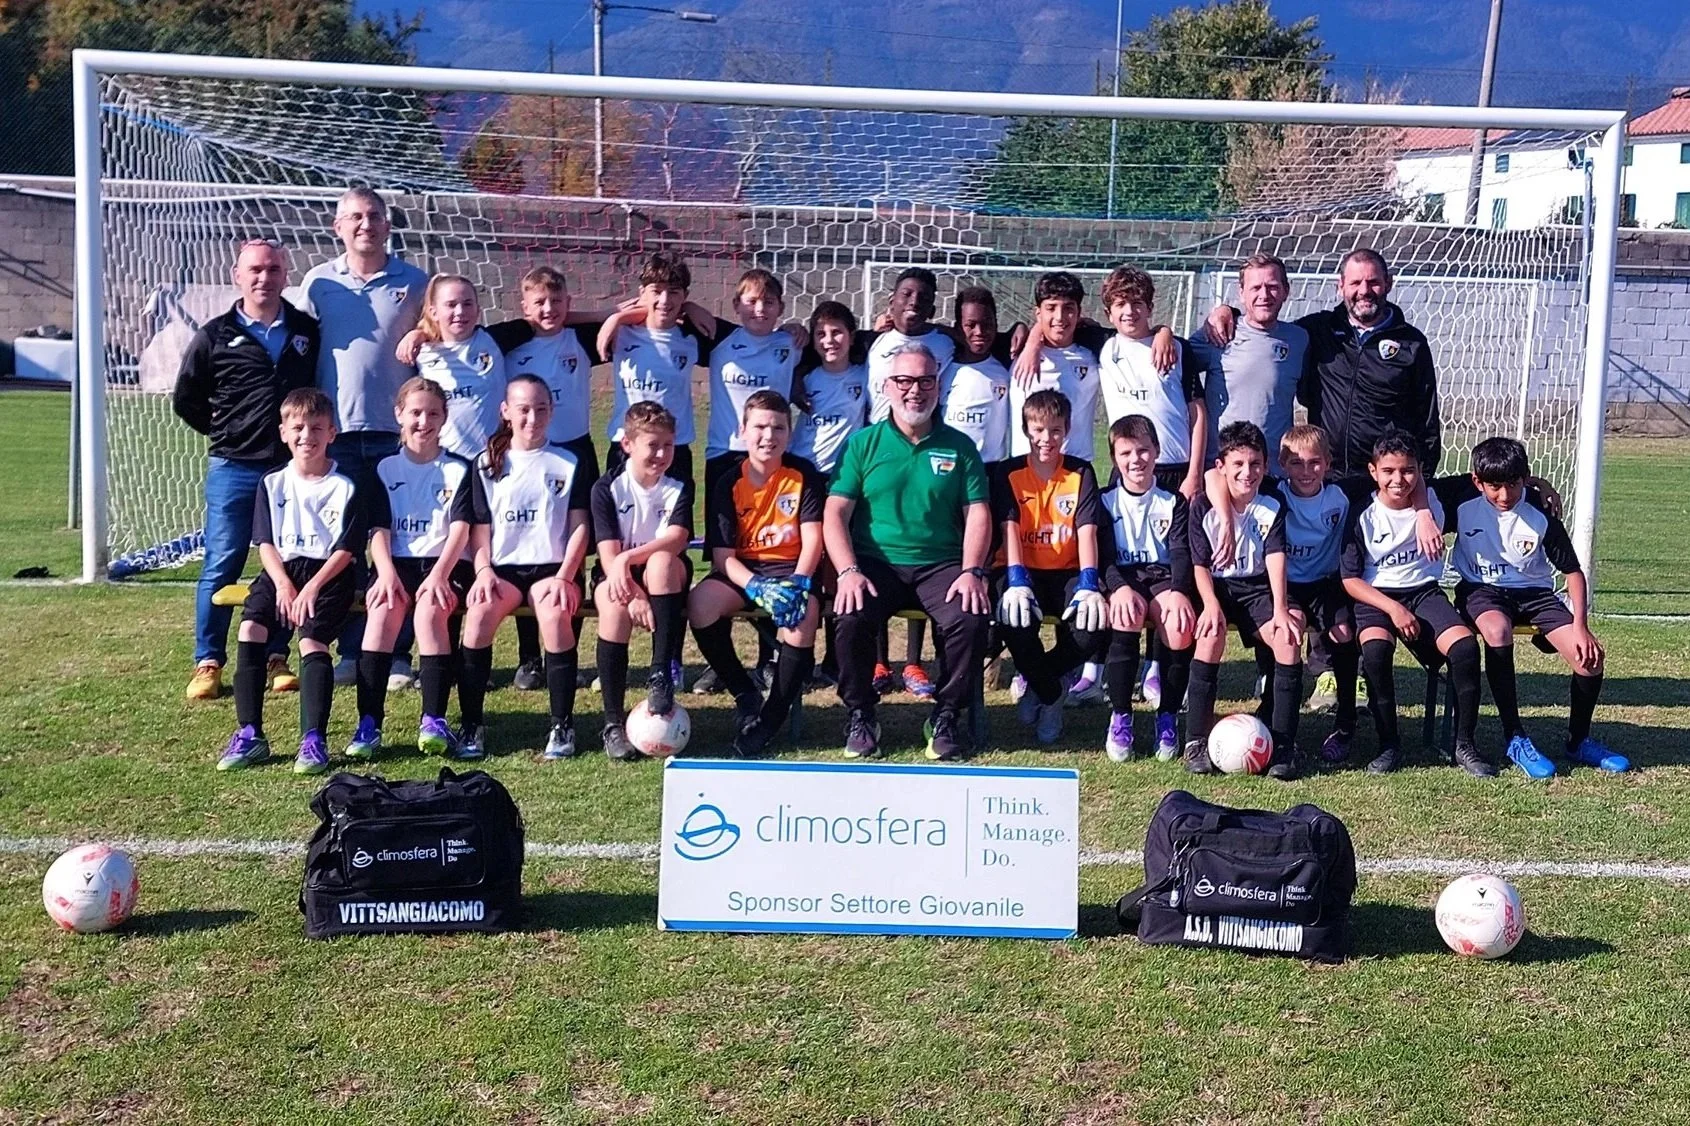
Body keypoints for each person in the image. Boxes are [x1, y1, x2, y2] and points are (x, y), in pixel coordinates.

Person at [824, 342, 993, 762]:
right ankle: (862, 714)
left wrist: (972, 570)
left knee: (970, 619)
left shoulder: (960, 446)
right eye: (904, 380)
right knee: (848, 617)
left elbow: (978, 513)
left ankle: (945, 715)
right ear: (887, 386)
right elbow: (834, 514)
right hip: (874, 564)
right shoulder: (862, 444)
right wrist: (847, 571)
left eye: (924, 381)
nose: (914, 390)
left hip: (941, 565)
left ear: (938, 387)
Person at [173, 238, 318, 702]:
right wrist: (228, 432)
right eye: (255, 269)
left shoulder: (306, 330)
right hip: (233, 467)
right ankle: (208, 661)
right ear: (238, 275)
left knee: (289, 562)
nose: (264, 277)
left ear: (285, 275)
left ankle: (278, 656)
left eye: (273, 269)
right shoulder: (214, 335)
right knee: (223, 562)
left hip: (290, 471)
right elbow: (186, 398)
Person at [1436, 437, 1628, 776]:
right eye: (1494, 486)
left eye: (1512, 484)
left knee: (1590, 659)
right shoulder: (1461, 496)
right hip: (1482, 591)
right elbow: (1408, 487)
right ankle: (1515, 736)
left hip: (1536, 595)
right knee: (1497, 629)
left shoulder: (1540, 508)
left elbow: (1572, 572)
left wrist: (1581, 627)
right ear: (1477, 481)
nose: (1504, 495)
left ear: (1525, 477)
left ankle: (1578, 740)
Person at [299, 187, 429, 689]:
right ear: (338, 227)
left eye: (373, 215)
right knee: (345, 545)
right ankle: (350, 649)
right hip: (338, 435)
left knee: (397, 546)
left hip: (398, 436)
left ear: (387, 225)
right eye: (354, 217)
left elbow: (442, 331)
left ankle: (396, 654)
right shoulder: (317, 284)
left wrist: (422, 333)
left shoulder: (415, 282)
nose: (364, 224)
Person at [214, 388, 368, 774]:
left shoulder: (345, 485)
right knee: (250, 628)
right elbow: (265, 542)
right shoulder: (271, 482)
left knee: (311, 639)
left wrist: (311, 587)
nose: (307, 436)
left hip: (328, 574)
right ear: (283, 431)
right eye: (298, 427)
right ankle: (251, 734)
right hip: (281, 571)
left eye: (317, 428)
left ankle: (313, 739)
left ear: (332, 433)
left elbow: (347, 550)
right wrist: (282, 585)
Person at [1206, 247, 1441, 478]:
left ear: (1388, 284)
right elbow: (1263, 327)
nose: (1364, 290)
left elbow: (1427, 418)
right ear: (1341, 287)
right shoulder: (1316, 331)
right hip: (1325, 474)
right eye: (1355, 283)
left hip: (1386, 477)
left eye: (1373, 282)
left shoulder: (1412, 343)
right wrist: (1228, 312)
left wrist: (1424, 477)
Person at [455, 375, 595, 761]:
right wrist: (483, 572)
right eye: (523, 409)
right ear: (506, 412)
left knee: (554, 616)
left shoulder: (569, 461)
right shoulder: (486, 464)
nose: (532, 417)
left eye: (541, 409)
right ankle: (471, 725)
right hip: (503, 569)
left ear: (551, 411)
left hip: (552, 567)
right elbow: (479, 532)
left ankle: (562, 725)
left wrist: (567, 575)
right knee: (479, 615)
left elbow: (580, 525)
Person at [1340, 431, 1491, 777]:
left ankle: (1465, 744)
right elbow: (1350, 579)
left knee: (1465, 648)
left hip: (1423, 592)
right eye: (1389, 471)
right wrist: (1393, 609)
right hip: (1375, 597)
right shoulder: (1361, 511)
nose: (1399, 479)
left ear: (1421, 471)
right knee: (1376, 653)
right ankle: (1388, 744)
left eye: (1408, 471)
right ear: (1373, 471)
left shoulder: (1437, 500)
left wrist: (1538, 484)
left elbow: (1492, 480)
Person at [343, 377, 475, 763]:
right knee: (381, 617)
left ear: (444, 418)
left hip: (444, 564)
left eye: (433, 413)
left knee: (432, 613)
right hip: (395, 563)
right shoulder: (383, 468)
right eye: (415, 412)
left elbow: (461, 530)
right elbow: (378, 531)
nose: (423, 421)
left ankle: (433, 719)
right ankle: (368, 723)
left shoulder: (459, 469)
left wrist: (438, 575)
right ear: (399, 414)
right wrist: (384, 573)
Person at [689, 390, 824, 758]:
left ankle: (770, 719)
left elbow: (814, 538)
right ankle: (744, 692)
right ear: (743, 430)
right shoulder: (727, 480)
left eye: (778, 427)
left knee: (802, 616)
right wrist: (755, 584)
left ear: (789, 432)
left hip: (791, 570)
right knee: (700, 603)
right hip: (746, 572)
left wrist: (800, 582)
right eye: (760, 426)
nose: (769, 435)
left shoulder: (803, 474)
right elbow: (722, 557)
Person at [1185, 421, 1303, 780]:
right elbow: (1199, 564)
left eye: (1254, 464)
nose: (1246, 472)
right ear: (1221, 467)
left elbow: (1275, 557)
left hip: (1256, 589)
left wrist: (1280, 608)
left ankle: (1283, 745)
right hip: (1216, 589)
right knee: (1210, 635)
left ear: (1265, 466)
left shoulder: (1271, 503)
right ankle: (1195, 741)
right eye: (1237, 464)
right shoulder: (1204, 506)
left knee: (1287, 638)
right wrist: (1209, 605)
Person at [990, 390, 1106, 746]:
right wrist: (1016, 579)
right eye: (1039, 430)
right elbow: (1008, 527)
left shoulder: (1081, 472)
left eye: (1055, 430)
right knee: (1017, 619)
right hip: (1019, 570)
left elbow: (1087, 530)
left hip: (1067, 570)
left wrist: (1088, 582)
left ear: (1068, 429)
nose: (1047, 439)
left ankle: (1041, 686)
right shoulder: (1008, 472)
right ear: (1026, 429)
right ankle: (1053, 695)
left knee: (1092, 627)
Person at [591, 402, 694, 762]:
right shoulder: (607, 489)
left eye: (668, 445)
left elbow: (678, 538)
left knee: (662, 563)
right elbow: (607, 557)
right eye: (652, 445)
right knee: (614, 608)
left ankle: (659, 674)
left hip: (661, 575)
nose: (661, 454)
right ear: (628, 445)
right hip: (618, 576)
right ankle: (612, 724)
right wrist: (632, 593)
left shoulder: (679, 485)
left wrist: (628, 558)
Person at [1261, 425, 1364, 765]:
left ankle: (1346, 724)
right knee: (1288, 632)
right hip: (1286, 586)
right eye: (1296, 463)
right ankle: (1280, 730)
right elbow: (1218, 478)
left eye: (1314, 463)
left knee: (1344, 633)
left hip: (1325, 583)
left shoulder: (1342, 496)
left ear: (1329, 463)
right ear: (1281, 464)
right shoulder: (1274, 495)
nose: (1306, 471)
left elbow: (1403, 480)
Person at [1097, 414, 1196, 764]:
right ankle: (1121, 716)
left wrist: (1181, 591)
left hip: (1162, 576)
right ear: (1114, 458)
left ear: (1156, 452)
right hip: (1123, 577)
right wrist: (1117, 588)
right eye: (1125, 453)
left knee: (1179, 626)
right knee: (1126, 615)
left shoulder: (1173, 501)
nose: (1135, 460)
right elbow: (1104, 557)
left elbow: (1181, 552)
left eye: (1142, 451)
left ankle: (1167, 716)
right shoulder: (1105, 500)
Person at [788, 300, 870, 689]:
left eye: (837, 332)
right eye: (821, 334)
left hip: (845, 480)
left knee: (839, 568)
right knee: (805, 563)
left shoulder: (865, 375)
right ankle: (794, 657)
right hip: (805, 475)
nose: (829, 340)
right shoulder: (803, 377)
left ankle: (835, 659)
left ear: (852, 335)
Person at [1188, 253, 1307, 466]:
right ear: (1241, 293)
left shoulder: (1300, 338)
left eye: (1272, 286)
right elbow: (1176, 361)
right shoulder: (1219, 332)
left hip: (1274, 470)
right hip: (1223, 470)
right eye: (1255, 288)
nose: (1264, 295)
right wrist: (1163, 333)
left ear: (1285, 291)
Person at [411, 275, 507, 463]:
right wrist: (416, 335)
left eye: (468, 303)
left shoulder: (495, 340)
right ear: (434, 312)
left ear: (478, 310)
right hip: (444, 462)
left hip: (492, 460)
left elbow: (547, 320)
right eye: (451, 304)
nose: (460, 311)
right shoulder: (421, 354)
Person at [939, 287, 1013, 465]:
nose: (979, 331)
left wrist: (1021, 327)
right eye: (970, 325)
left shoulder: (1007, 366)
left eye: (987, 324)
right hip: (950, 466)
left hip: (991, 467)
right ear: (958, 328)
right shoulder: (943, 368)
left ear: (996, 324)